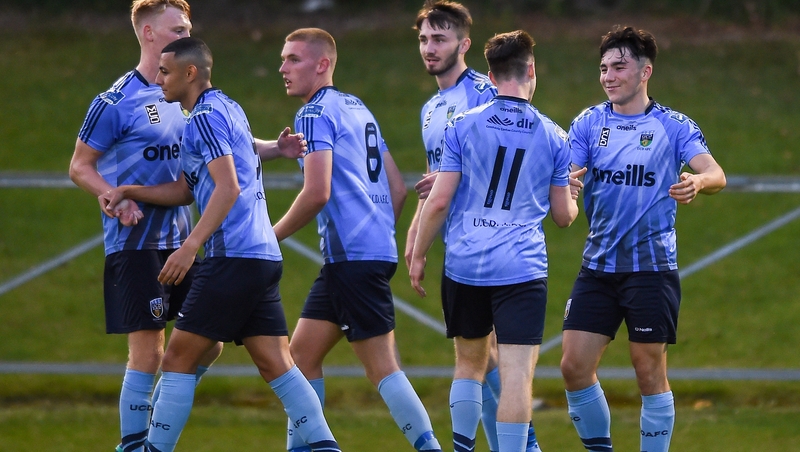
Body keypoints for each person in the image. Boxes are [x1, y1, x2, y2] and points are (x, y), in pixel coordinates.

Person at [101, 36, 341, 452]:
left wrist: (190, 245)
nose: (158, 79)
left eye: (165, 71)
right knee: (276, 365)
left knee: (177, 358)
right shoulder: (228, 108)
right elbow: (188, 189)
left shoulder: (204, 118)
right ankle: (325, 447)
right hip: (261, 258)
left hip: (232, 258)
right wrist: (132, 190)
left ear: (190, 73)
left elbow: (227, 188)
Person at [409, 30, 580, 452]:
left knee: (469, 366)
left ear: (490, 74)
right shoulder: (555, 137)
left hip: (466, 263)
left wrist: (417, 253)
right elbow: (562, 218)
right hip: (522, 270)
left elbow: (439, 200)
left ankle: (462, 448)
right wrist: (571, 198)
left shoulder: (463, 126)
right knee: (518, 374)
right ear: (531, 71)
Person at [275, 27, 443, 452]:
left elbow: (317, 192)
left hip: (353, 258)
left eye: (293, 59)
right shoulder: (357, 107)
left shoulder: (313, 114)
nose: (283, 68)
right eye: (283, 59)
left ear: (323, 64)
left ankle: (430, 447)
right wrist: (375, 231)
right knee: (300, 358)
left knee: (382, 368)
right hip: (360, 256)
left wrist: (269, 237)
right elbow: (398, 188)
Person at [560, 25, 726, 452]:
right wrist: (566, 187)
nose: (608, 75)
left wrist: (698, 182)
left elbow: (715, 173)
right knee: (573, 367)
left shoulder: (672, 125)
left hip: (651, 269)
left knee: (647, 371)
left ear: (645, 71)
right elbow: (568, 175)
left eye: (619, 66)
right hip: (597, 267)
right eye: (603, 68)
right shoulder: (589, 122)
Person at [68, 3, 224, 451]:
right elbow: (81, 166)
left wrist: (276, 147)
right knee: (149, 351)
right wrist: (113, 200)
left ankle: (153, 419)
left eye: (189, 26)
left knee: (208, 340)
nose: (186, 31)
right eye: (178, 27)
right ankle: (133, 443)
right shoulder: (115, 101)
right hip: (134, 243)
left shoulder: (185, 87)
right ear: (149, 32)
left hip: (182, 240)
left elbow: (220, 141)